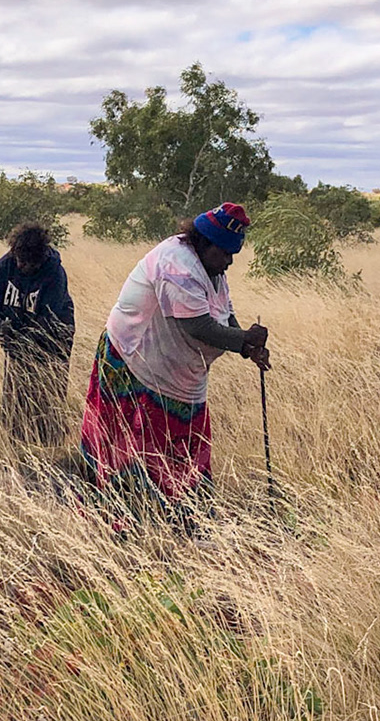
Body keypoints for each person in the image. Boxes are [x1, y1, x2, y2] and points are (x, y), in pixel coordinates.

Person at [79, 202, 270, 516]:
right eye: (225, 253)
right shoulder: (177, 264)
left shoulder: (210, 266)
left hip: (175, 371)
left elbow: (223, 312)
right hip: (135, 363)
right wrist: (244, 339)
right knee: (134, 448)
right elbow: (198, 326)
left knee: (180, 446)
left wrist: (247, 347)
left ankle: (182, 513)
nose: (229, 261)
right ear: (205, 243)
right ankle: (133, 513)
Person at [0, 222, 75, 446]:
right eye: (19, 260)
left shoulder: (54, 272)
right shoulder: (5, 265)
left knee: (48, 394)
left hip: (53, 340)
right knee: (14, 394)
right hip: (16, 338)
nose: (21, 266)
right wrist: (0, 327)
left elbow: (48, 318)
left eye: (28, 263)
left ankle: (50, 443)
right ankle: (16, 441)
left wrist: (20, 339)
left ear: (40, 259)